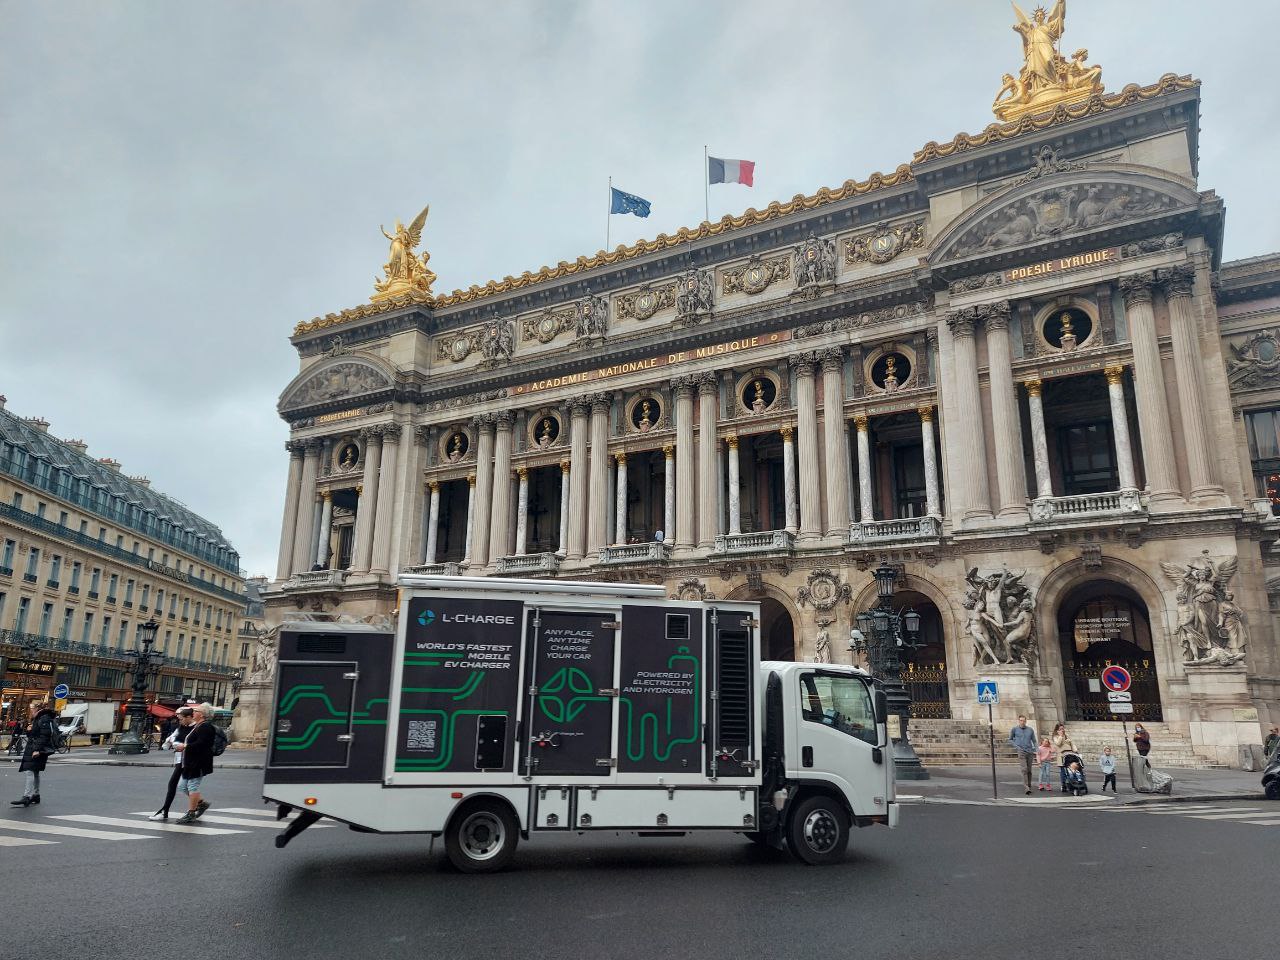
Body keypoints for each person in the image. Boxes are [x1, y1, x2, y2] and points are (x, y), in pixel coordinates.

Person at [172, 702, 216, 824]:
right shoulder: (198, 726)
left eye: (196, 711)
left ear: (201, 715)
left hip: (199, 762)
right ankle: (201, 803)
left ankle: (191, 813)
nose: (193, 713)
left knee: (192, 787)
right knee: (182, 786)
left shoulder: (206, 727)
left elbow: (202, 744)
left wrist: (185, 746)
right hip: (190, 762)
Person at [149, 707, 195, 821]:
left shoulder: (195, 728)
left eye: (181, 718)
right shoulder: (183, 726)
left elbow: (187, 742)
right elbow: (174, 736)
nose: (179, 721)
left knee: (179, 785)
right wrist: (169, 742)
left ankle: (166, 811)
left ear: (188, 717)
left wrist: (175, 744)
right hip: (181, 759)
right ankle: (198, 804)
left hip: (189, 760)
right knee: (181, 786)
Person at [11, 700, 57, 807]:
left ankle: (26, 796)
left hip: (36, 749)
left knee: (29, 771)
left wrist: (37, 749)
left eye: (32, 708)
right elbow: (34, 735)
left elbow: (44, 735)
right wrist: (29, 730)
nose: (30, 710)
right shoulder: (40, 718)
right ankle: (36, 795)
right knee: (35, 772)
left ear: (37, 708)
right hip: (34, 747)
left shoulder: (43, 718)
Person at [1007, 714, 1038, 795]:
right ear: (1019, 721)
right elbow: (1010, 739)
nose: (1022, 722)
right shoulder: (1015, 729)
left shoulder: (1030, 730)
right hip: (1021, 751)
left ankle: (1029, 785)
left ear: (1026, 721)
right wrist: (1017, 747)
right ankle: (1026, 787)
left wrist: (1036, 749)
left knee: (1029, 770)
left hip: (1030, 751)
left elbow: (1034, 740)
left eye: (1024, 721)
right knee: (1024, 769)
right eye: (1021, 720)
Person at [1052, 722, 1077, 793]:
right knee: (1063, 771)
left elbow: (1072, 743)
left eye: (1063, 729)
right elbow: (1058, 744)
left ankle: (1072, 782)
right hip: (1062, 756)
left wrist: (1075, 750)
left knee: (1071, 769)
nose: (1062, 730)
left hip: (1069, 754)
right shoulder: (1056, 737)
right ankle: (1063, 784)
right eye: (1060, 729)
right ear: (1057, 730)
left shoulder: (1067, 736)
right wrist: (1060, 736)